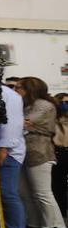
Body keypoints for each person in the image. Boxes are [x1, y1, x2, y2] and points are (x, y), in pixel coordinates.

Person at [18, 77, 64, 228]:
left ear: (30, 88)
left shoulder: (43, 105)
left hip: (40, 151)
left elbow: (25, 122)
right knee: (26, 194)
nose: (16, 91)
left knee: (42, 193)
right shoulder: (27, 104)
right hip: (25, 151)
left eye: (19, 87)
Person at [0, 82, 26, 228]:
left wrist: (3, 149)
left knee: (7, 193)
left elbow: (12, 124)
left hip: (6, 152)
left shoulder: (9, 95)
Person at [53, 92, 68, 220]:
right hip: (58, 152)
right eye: (62, 102)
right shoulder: (53, 119)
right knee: (58, 185)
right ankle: (60, 213)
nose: (65, 105)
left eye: (67, 102)